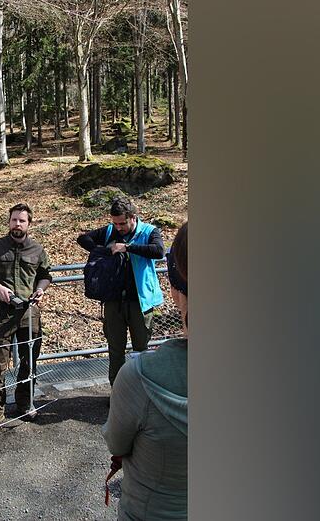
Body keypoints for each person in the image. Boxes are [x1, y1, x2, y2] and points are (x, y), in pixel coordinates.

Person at [102, 221, 188, 520]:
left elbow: (116, 442)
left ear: (175, 289)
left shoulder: (140, 377)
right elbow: (85, 239)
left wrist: (126, 247)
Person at [0, 203, 53, 431]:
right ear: (9, 221)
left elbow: (46, 275)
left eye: (22, 220)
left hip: (30, 312)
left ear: (29, 223)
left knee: (30, 360)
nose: (17, 224)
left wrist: (41, 289)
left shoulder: (37, 249)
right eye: (14, 220)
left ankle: (25, 402)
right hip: (4, 312)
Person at [77, 196, 165, 386]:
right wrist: (104, 251)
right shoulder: (109, 230)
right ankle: (117, 392)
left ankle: (141, 392)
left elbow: (159, 251)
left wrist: (127, 247)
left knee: (140, 350)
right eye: (115, 223)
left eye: (122, 223)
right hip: (113, 302)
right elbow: (83, 238)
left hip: (140, 302)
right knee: (115, 350)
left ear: (133, 217)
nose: (118, 227)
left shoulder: (149, 231)